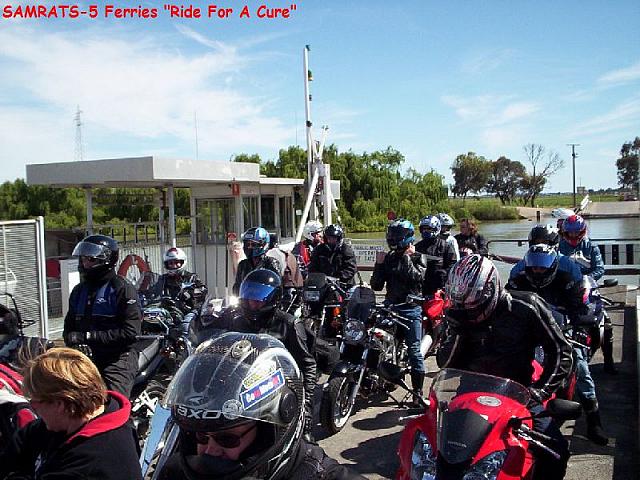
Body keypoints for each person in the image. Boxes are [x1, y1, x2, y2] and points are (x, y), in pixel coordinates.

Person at [437, 255, 573, 480]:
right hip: (470, 394)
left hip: (519, 396)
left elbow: (561, 350)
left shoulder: (527, 306)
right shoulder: (460, 313)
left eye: (472, 306)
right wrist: (456, 330)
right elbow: (445, 364)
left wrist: (540, 391)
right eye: (463, 306)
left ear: (490, 290)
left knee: (556, 451)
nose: (470, 312)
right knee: (432, 448)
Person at [158, 332, 365, 480]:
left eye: (227, 439)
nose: (210, 450)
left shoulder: (321, 474)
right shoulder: (176, 472)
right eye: (201, 437)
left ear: (270, 430)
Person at [192, 269, 317, 442]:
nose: (252, 302)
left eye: (258, 297)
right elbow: (209, 336)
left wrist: (306, 407)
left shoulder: (289, 324)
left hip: (274, 389)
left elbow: (307, 365)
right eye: (249, 295)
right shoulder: (234, 318)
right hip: (235, 385)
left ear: (274, 298)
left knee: (298, 441)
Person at [507, 244, 609, 445]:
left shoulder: (567, 280)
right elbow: (505, 307)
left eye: (542, 267)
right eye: (534, 267)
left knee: (580, 365)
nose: (538, 271)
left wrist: (580, 328)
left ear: (552, 266)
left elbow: (579, 308)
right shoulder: (517, 282)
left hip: (561, 332)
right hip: (529, 334)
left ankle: (593, 419)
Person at [0, 347, 142, 480]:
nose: (32, 406)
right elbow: (20, 444)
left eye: (36, 401)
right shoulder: (70, 420)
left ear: (60, 404)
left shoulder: (91, 461)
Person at [63, 234, 142, 398]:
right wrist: (72, 340)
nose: (85, 264)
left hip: (117, 358)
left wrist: (88, 337)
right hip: (86, 357)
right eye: (83, 259)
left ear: (106, 260)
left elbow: (130, 333)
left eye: (90, 260)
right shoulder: (78, 291)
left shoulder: (122, 289)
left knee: (114, 403)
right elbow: (69, 329)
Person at [370, 220, 426, 400]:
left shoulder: (418, 257)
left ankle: (418, 392)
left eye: (397, 236)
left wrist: (407, 258)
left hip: (410, 310)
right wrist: (379, 264)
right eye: (391, 235)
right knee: (372, 340)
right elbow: (376, 286)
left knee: (414, 351)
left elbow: (416, 278)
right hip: (390, 307)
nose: (393, 239)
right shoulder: (389, 258)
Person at [558, 215, 616, 374]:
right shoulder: (559, 247)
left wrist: (587, 278)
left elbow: (599, 269)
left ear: (582, 231)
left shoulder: (591, 246)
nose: (573, 236)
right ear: (564, 232)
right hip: (566, 289)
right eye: (570, 233)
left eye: (577, 232)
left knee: (606, 322)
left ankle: (609, 361)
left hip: (587, 288)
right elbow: (554, 266)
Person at [148, 246, 208, 335]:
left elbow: (203, 291)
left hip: (187, 310)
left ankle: (187, 341)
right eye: (170, 263)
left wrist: (189, 294)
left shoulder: (191, 277)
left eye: (176, 262)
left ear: (182, 262)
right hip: (167, 310)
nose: (174, 266)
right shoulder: (162, 279)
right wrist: (147, 295)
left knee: (185, 327)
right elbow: (153, 291)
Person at [509, 224, 582, 282]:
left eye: (545, 242)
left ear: (554, 242)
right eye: (537, 242)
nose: (541, 245)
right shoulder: (525, 262)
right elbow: (513, 278)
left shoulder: (567, 264)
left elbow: (578, 282)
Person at [233, 227, 281, 296]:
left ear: (263, 245)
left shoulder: (271, 263)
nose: (249, 247)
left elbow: (276, 286)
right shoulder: (243, 264)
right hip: (246, 298)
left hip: (263, 298)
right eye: (247, 244)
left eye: (253, 244)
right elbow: (238, 285)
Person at [415, 215, 456, 296]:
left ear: (436, 229)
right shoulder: (417, 247)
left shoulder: (446, 246)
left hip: (440, 288)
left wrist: (443, 275)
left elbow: (453, 265)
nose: (426, 231)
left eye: (429, 229)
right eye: (424, 229)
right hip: (422, 287)